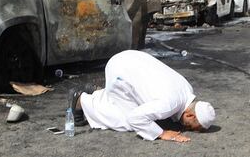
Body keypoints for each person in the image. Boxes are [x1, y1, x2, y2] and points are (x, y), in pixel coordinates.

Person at [69, 50, 215, 143]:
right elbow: (135, 118)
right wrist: (161, 133)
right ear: (190, 115)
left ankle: (101, 93)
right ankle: (82, 100)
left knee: (140, 106)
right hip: (119, 71)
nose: (187, 128)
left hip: (129, 58)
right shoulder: (170, 104)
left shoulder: (187, 90)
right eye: (190, 126)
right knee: (127, 121)